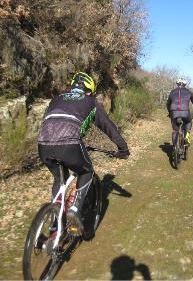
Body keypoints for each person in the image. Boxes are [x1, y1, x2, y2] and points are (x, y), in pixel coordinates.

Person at [37, 72, 130, 237]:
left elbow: (49, 121)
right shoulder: (91, 101)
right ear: (90, 90)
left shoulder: (57, 98)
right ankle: (74, 209)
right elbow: (108, 127)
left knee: (60, 179)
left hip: (43, 143)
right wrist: (123, 149)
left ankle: (55, 222)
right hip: (70, 142)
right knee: (86, 171)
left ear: (73, 86)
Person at [166, 78, 193, 145]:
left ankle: (174, 147)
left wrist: (170, 113)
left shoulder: (172, 92)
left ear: (177, 84)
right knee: (188, 123)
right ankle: (187, 136)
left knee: (175, 130)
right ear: (185, 84)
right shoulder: (188, 92)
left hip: (174, 113)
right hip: (185, 113)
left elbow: (168, 104)